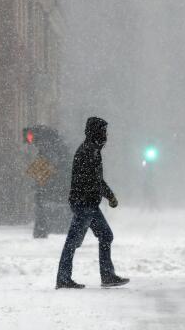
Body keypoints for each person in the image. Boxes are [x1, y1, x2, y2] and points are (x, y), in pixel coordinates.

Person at [56, 117, 129, 289]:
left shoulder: (92, 150)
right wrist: (108, 196)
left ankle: (107, 275)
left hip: (88, 204)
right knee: (73, 241)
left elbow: (96, 180)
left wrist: (109, 196)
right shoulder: (87, 151)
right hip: (84, 204)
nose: (106, 135)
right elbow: (94, 181)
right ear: (96, 132)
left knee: (105, 235)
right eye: (104, 131)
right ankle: (64, 278)